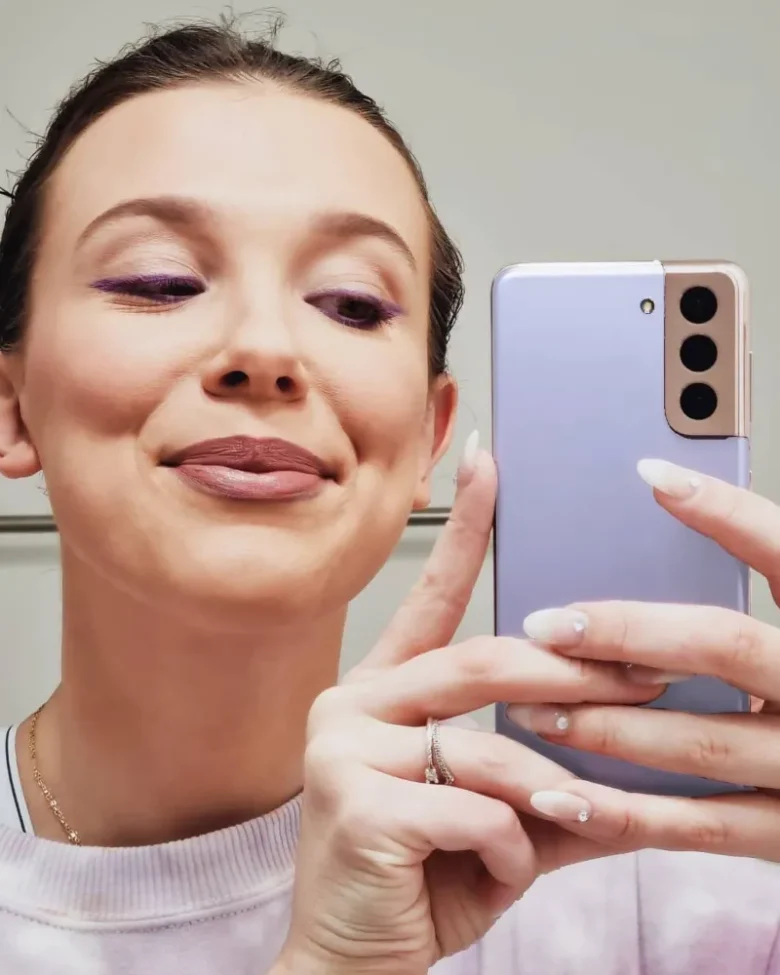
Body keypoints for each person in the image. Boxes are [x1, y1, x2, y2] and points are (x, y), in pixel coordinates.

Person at [0, 16, 779, 974]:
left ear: (428, 438)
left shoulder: (648, 871)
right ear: (12, 405)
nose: (265, 350)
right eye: (160, 282)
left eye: (353, 304)